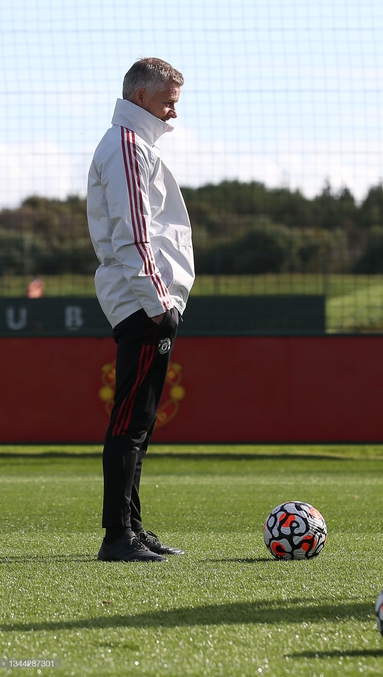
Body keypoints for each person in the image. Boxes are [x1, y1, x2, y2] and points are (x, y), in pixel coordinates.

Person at [87, 58, 195, 562]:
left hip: (142, 298)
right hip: (141, 301)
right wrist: (159, 304)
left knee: (141, 419)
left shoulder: (133, 145)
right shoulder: (129, 148)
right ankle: (117, 537)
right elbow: (135, 233)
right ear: (140, 98)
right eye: (168, 101)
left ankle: (132, 525)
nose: (174, 113)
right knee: (132, 419)